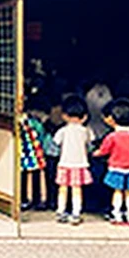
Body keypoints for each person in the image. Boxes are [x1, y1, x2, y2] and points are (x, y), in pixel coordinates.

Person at [93, 98, 129, 226]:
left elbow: (103, 151)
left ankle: (117, 214)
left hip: (116, 168)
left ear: (113, 119)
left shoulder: (112, 137)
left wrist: (94, 153)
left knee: (117, 192)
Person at [53, 95, 95, 225]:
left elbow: (55, 143)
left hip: (64, 163)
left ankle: (61, 211)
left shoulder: (62, 131)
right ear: (85, 117)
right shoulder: (86, 131)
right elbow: (91, 143)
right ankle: (76, 213)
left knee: (63, 189)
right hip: (80, 164)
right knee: (77, 189)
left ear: (64, 116)